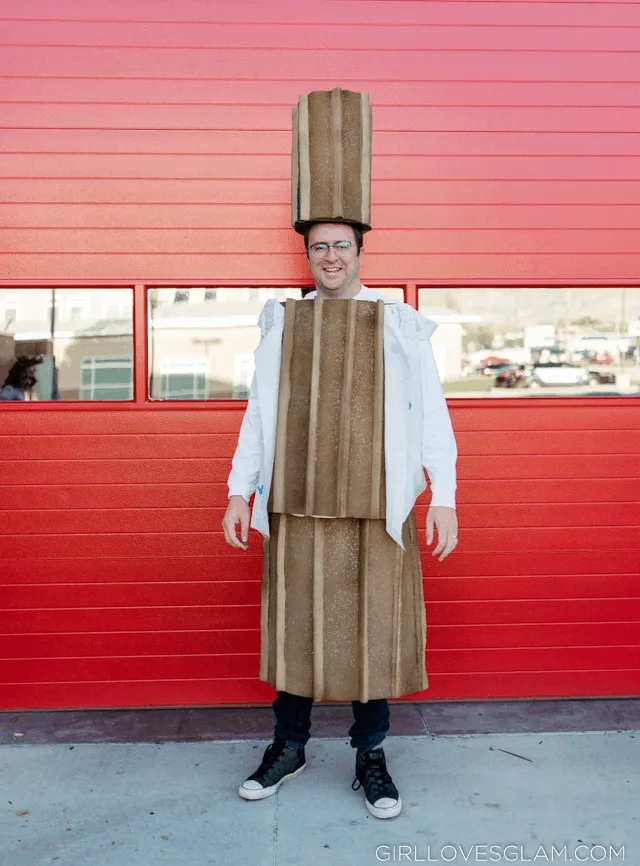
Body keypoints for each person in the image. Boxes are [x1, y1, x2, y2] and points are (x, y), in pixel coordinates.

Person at [222, 221, 458, 818]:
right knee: (296, 623)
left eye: (340, 246)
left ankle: (370, 756)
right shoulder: (283, 322)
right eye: (319, 246)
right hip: (294, 503)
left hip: (379, 506)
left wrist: (444, 496)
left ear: (360, 252)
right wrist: (238, 492)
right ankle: (290, 747)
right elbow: (257, 414)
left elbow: (431, 411)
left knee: (374, 629)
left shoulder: (397, 321)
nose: (330, 256)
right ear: (307, 255)